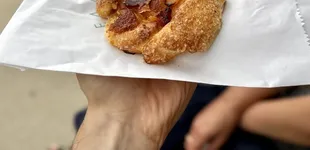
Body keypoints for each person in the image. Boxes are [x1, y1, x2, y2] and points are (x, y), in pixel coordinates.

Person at [72, 74, 310, 150]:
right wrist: (113, 119)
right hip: (254, 91)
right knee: (86, 119)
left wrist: (231, 111)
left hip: (274, 132)